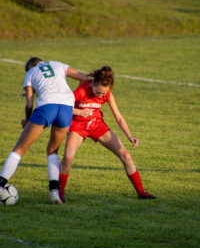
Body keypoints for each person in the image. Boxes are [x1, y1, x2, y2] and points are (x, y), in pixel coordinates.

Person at [59, 66, 156, 203]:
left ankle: (141, 192)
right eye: (98, 92)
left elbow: (118, 117)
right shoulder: (81, 91)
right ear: (93, 83)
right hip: (78, 126)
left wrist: (129, 135)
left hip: (97, 125)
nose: (100, 96)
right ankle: (59, 192)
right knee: (68, 157)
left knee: (125, 155)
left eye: (103, 93)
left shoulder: (107, 93)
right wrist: (79, 112)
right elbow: (63, 107)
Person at [0, 57, 89, 204]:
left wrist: (28, 121)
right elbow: (85, 78)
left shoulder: (30, 73)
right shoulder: (58, 64)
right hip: (66, 107)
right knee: (53, 150)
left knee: (19, 149)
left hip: (46, 106)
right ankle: (54, 192)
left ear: (29, 67)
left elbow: (29, 104)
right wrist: (72, 99)